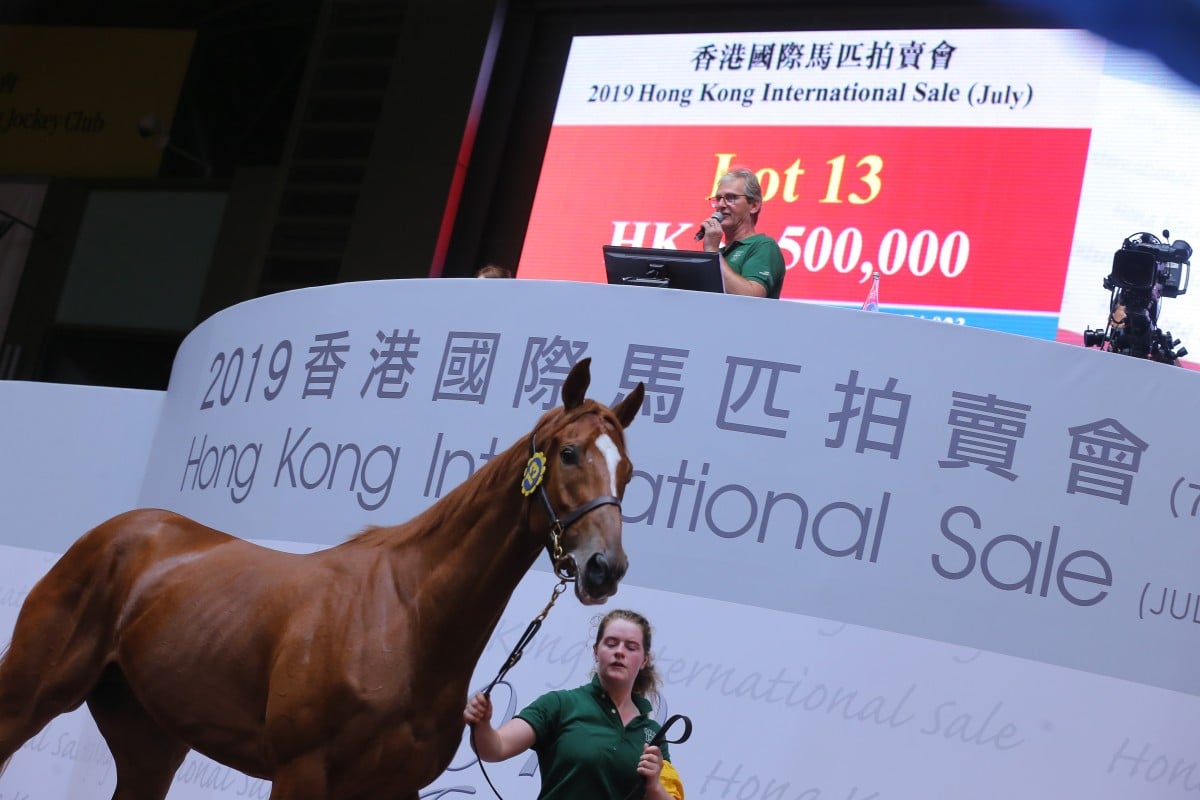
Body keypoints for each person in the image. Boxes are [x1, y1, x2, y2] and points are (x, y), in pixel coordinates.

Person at [463, 609, 684, 800]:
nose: (619, 651)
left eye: (631, 647)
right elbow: (495, 748)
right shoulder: (560, 704)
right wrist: (482, 725)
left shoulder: (653, 733)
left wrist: (654, 785)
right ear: (596, 651)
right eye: (611, 643)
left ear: (644, 660)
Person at [697, 168, 786, 298]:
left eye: (731, 198)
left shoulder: (764, 246)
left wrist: (711, 251)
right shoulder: (720, 253)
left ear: (754, 206)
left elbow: (750, 297)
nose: (721, 204)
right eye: (718, 198)